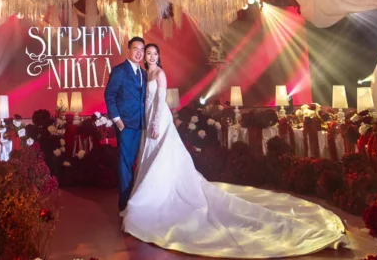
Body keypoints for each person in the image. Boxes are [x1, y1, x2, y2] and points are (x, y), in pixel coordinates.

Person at [121, 43, 349, 258]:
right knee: (152, 159)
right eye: (146, 53)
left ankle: (154, 199)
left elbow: (161, 101)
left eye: (153, 53)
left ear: (158, 55)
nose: (150, 56)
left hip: (158, 122)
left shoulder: (159, 73)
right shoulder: (145, 74)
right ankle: (152, 195)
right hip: (148, 120)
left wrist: (154, 124)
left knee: (163, 158)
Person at [103, 36, 146, 213]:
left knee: (138, 163)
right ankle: (124, 204)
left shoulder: (144, 73)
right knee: (126, 164)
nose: (139, 53)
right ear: (128, 50)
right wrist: (117, 121)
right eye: (136, 48)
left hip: (141, 124)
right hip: (126, 125)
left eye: (142, 50)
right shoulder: (119, 70)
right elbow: (109, 95)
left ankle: (135, 200)